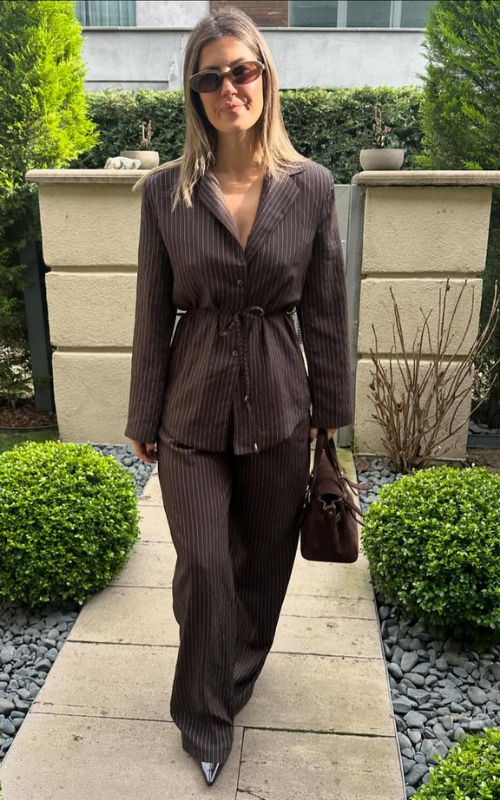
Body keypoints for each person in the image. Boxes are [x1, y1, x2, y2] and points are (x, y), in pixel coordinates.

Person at [124, 6, 352, 788]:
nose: (230, 89)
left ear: (265, 76)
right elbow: (151, 311)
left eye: (242, 71)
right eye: (211, 77)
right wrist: (142, 414)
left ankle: (234, 670)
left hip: (282, 408)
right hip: (189, 410)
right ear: (195, 93)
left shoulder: (311, 187)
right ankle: (204, 718)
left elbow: (325, 310)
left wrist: (329, 418)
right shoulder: (166, 193)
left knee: (261, 568)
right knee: (205, 566)